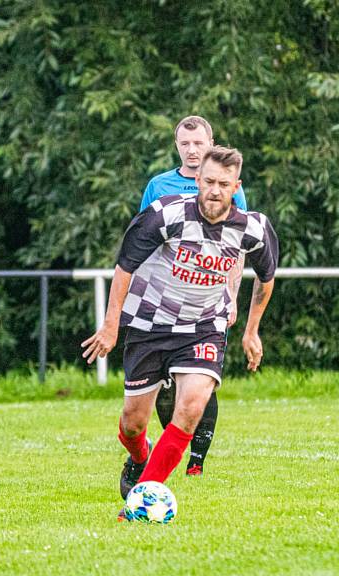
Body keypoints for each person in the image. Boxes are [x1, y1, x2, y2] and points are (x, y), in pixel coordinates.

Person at [80, 146, 278, 518]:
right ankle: (140, 455)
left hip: (204, 327)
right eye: (208, 182)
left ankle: (139, 502)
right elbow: (125, 267)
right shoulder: (165, 215)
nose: (214, 190)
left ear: (237, 186)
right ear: (197, 180)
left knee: (189, 408)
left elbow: (265, 279)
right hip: (149, 325)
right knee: (132, 423)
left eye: (223, 183)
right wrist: (111, 324)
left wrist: (252, 332)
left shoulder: (253, 228)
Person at [135, 115, 247, 481]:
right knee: (164, 390)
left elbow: (239, 244)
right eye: (185, 144)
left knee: (200, 381)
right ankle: (159, 452)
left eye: (199, 143)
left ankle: (197, 459)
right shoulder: (159, 185)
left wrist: (231, 295)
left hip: (208, 302)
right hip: (163, 304)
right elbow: (142, 241)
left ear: (210, 144)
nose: (192, 149)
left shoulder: (227, 186)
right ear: (177, 146)